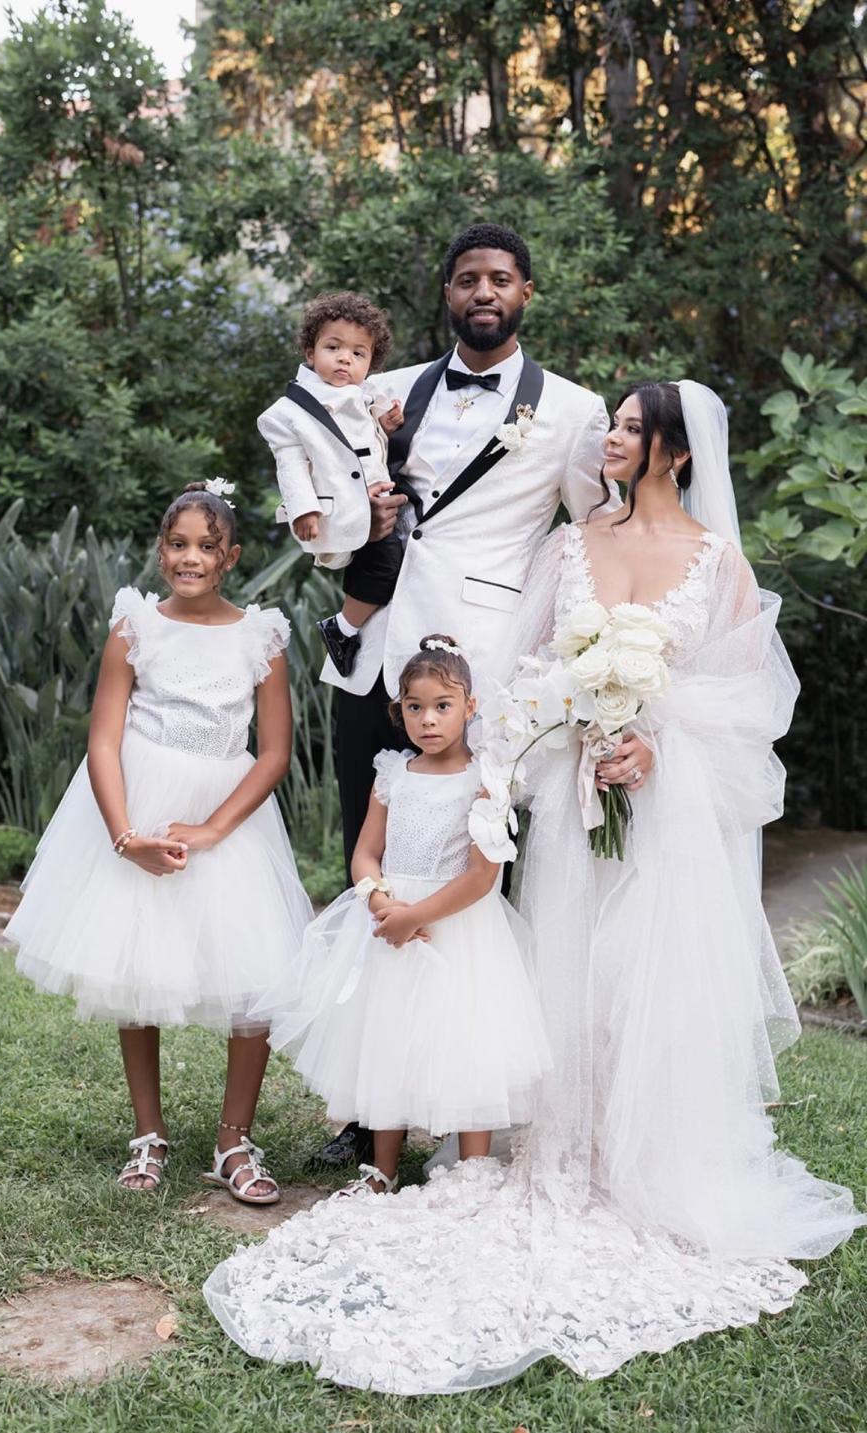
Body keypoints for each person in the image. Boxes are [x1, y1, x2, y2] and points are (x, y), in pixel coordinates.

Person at [200, 382, 864, 1393]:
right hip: (565, 798)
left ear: (675, 455)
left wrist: (651, 733)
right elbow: (522, 675)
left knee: (643, 978)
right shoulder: (570, 546)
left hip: (664, 814)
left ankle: (644, 1160)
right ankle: (558, 1146)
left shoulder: (716, 562)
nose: (612, 436)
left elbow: (751, 701)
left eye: (633, 428)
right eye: (615, 423)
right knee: (566, 970)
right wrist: (568, 728)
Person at [309, 220, 622, 1171]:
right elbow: (332, 492)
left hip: (485, 667)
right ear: (446, 294)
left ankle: (477, 1099)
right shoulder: (386, 392)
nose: (482, 292)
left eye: (500, 279)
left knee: (482, 874)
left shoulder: (571, 409)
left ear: (526, 292)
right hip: (380, 650)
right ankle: (372, 1109)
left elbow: (587, 534)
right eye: (465, 279)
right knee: (376, 843)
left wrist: (589, 659)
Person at [6, 481, 313, 1201]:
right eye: (178, 544)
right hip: (138, 811)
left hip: (227, 819)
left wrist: (211, 827)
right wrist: (125, 836)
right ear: (160, 548)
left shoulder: (260, 636)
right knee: (137, 966)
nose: (191, 557)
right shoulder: (134, 624)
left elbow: (273, 752)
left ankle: (234, 1141)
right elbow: (105, 737)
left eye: (208, 546)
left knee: (253, 982)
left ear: (232, 555)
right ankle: (149, 1134)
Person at [262, 635, 550, 1196]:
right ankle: (381, 1170)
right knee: (386, 1040)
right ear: (400, 712)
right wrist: (380, 902)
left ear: (470, 708)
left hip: (459, 928)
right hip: (393, 929)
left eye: (443, 705)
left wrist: (415, 913)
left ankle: (471, 1173)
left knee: (469, 1042)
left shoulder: (487, 780)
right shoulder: (394, 774)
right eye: (414, 707)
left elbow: (481, 876)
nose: (428, 719)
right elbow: (367, 852)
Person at [257, 291, 405, 679]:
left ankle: (348, 626)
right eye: (333, 347)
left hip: (376, 497)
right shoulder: (291, 413)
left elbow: (362, 435)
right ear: (310, 351)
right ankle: (342, 628)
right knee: (385, 565)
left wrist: (383, 426)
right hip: (339, 509)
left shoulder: (362, 395)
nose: (345, 359)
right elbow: (290, 465)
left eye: (358, 354)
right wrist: (305, 509)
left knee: (383, 564)